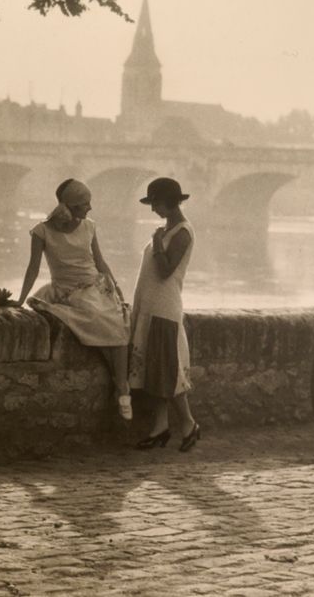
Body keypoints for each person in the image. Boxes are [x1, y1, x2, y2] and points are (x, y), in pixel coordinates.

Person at [7, 178, 133, 420]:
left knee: (117, 323)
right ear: (71, 205)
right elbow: (33, 268)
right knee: (107, 323)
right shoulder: (41, 231)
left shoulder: (89, 226)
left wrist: (116, 288)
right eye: (85, 203)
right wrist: (20, 299)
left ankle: (121, 385)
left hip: (95, 287)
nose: (90, 208)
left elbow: (100, 261)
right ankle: (122, 387)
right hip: (67, 291)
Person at [128, 177, 201, 452]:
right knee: (154, 370)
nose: (153, 209)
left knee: (166, 370)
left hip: (164, 308)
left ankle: (189, 424)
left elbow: (166, 270)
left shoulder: (182, 232)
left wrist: (158, 242)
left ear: (169, 203)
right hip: (150, 307)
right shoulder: (167, 229)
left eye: (155, 203)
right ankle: (161, 428)